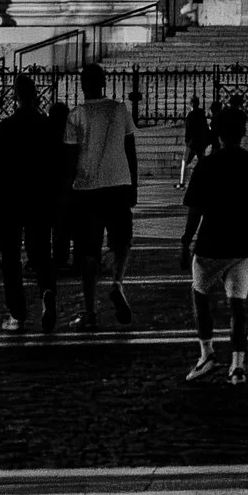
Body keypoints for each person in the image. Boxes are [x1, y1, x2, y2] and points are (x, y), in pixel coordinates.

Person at [180, 98, 248, 386]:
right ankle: (238, 366)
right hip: (246, 243)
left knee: (199, 294)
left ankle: (207, 353)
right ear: (243, 132)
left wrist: (186, 241)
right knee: (238, 304)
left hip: (213, 242)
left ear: (217, 133)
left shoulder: (208, 165)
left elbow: (195, 209)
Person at [0, 73, 70, 337]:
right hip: (39, 200)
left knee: (10, 260)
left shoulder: (5, 127)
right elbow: (58, 166)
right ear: (36, 96)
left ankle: (17, 313)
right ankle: (47, 292)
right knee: (42, 254)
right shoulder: (48, 126)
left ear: (15, 97)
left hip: (11, 201)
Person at [64, 62, 138, 330]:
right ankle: (117, 283)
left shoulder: (76, 115)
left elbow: (70, 158)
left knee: (87, 252)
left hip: (86, 189)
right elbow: (131, 149)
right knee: (122, 242)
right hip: (119, 184)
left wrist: (66, 193)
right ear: (104, 83)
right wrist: (134, 187)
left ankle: (89, 310)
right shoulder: (119, 109)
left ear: (83, 85)